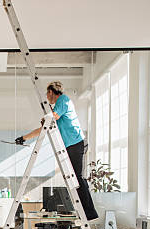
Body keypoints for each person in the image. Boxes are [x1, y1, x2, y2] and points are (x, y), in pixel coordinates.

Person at [15, 81, 98, 220]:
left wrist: (47, 118)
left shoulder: (64, 100)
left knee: (77, 177)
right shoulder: (57, 109)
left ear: (51, 92)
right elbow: (44, 128)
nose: (47, 98)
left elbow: (54, 117)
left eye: (47, 95)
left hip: (76, 142)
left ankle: (89, 212)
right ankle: (83, 211)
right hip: (70, 145)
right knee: (73, 179)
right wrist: (24, 138)